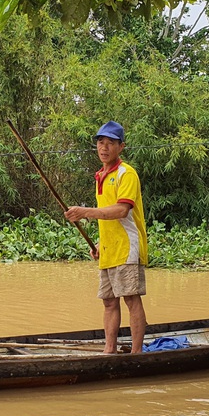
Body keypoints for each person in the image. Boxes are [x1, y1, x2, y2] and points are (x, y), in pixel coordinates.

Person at [65, 121, 148, 354]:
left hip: (127, 247)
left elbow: (122, 210)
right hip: (110, 249)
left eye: (110, 143)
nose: (104, 147)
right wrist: (101, 243)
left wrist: (85, 212)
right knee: (109, 302)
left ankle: (136, 354)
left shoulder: (126, 173)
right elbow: (107, 217)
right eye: (100, 142)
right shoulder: (101, 175)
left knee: (131, 299)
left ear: (121, 147)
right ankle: (109, 351)